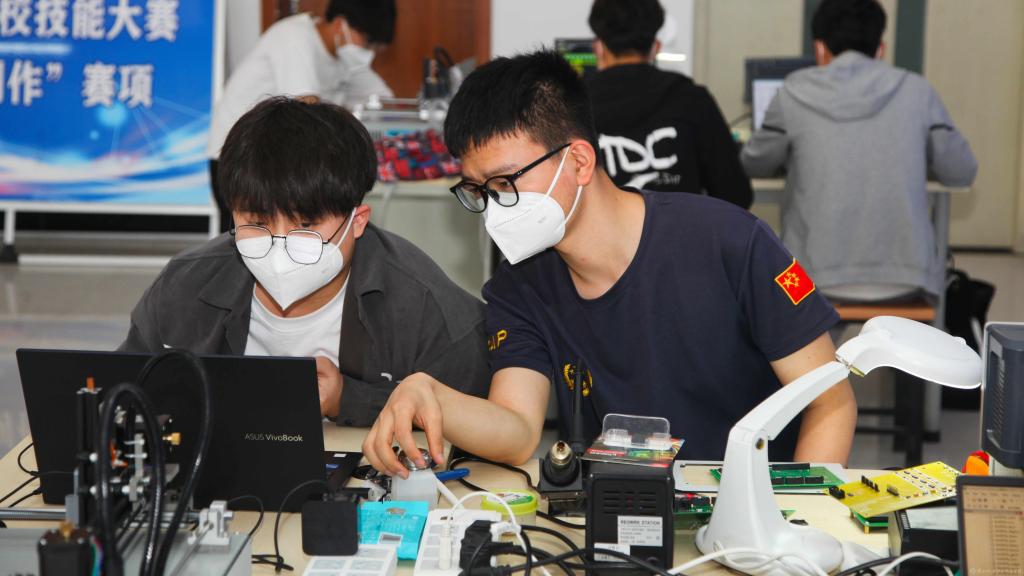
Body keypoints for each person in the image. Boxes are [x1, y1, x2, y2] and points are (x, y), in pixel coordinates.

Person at [362, 51, 858, 477]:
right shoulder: (521, 286)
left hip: (753, 504)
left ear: (579, 162)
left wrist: (791, 528)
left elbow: (830, 402)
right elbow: (516, 430)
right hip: (626, 512)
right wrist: (429, 393)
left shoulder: (730, 242)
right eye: (479, 190)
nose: (494, 207)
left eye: (506, 183)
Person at [122, 97, 489, 425]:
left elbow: (479, 426)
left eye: (306, 225)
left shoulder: (426, 308)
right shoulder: (185, 287)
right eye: (258, 222)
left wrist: (349, 399)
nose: (279, 244)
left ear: (357, 221)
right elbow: (123, 396)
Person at [741, 0, 976, 304]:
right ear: (881, 49)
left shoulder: (792, 92)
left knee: (773, 287)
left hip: (806, 281)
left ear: (819, 49)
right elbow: (961, 171)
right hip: (908, 281)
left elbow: (753, 164)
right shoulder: (918, 91)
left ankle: (809, 334)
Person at [207, 0, 397, 232]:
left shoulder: (345, 57)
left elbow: (385, 100)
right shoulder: (295, 38)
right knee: (248, 236)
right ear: (340, 24)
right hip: (241, 156)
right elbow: (306, 109)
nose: (370, 52)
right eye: (367, 42)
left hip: (279, 159)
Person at [585, 0, 752, 208]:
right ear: (656, 47)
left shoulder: (575, 104)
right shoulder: (691, 99)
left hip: (601, 230)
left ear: (598, 48)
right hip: (683, 229)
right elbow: (736, 195)